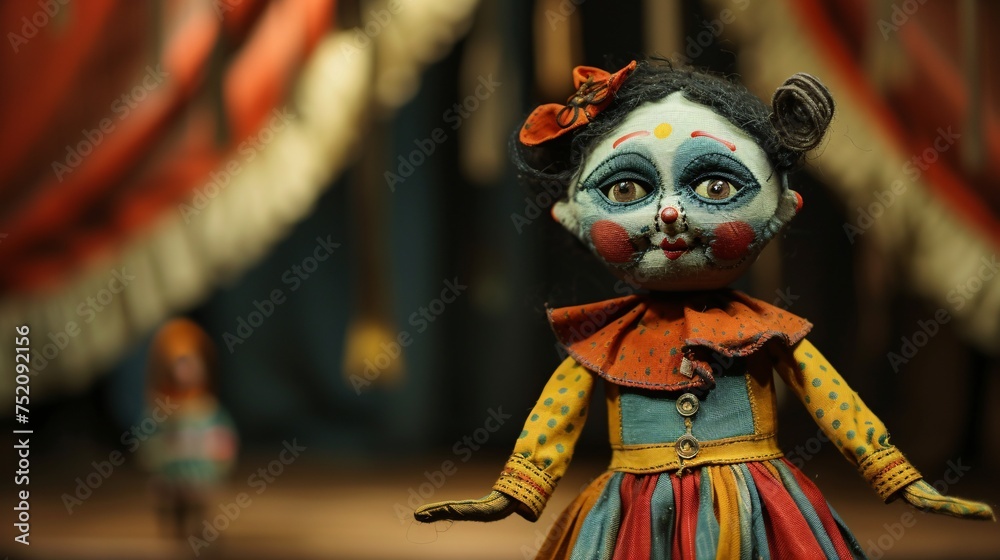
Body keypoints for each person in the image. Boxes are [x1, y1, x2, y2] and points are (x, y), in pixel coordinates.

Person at [414, 59, 993, 559]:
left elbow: (836, 404)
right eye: (626, 189)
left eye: (716, 187)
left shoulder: (764, 332)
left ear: (782, 209)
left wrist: (900, 479)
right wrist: (510, 492)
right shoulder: (604, 341)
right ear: (571, 217)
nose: (669, 213)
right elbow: (553, 421)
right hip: (636, 514)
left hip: (756, 509)